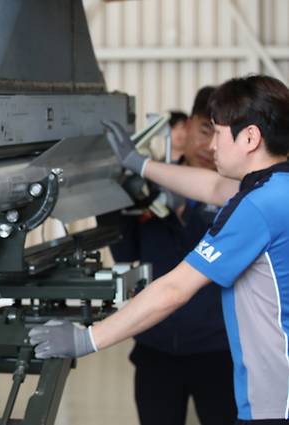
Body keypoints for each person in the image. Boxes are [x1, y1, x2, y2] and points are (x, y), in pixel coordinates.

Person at [29, 75, 289, 424]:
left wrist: (87, 339)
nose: (211, 146)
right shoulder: (277, 190)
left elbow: (174, 289)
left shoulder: (257, 206)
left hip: (275, 403)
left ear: (250, 137)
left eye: (217, 132)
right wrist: (140, 164)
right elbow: (213, 187)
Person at [105, 86, 236, 425]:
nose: (209, 146)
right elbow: (125, 251)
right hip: (155, 349)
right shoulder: (147, 184)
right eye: (205, 130)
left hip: (219, 352)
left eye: (219, 135)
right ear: (187, 125)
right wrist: (112, 196)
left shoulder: (235, 194)